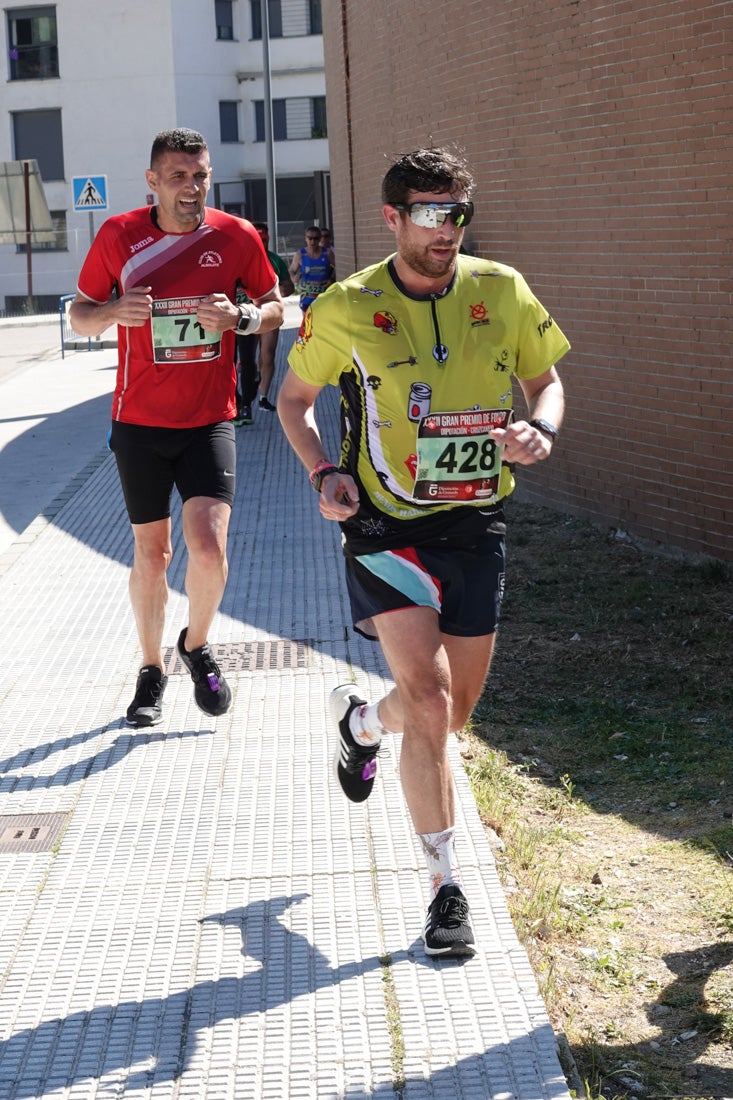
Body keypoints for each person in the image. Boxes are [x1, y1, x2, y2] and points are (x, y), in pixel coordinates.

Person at [277, 147, 569, 957]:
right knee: (432, 701)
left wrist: (537, 427)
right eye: (433, 215)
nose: (448, 231)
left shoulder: (499, 289)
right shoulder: (345, 304)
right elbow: (293, 401)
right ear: (394, 218)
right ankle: (445, 889)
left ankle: (363, 722)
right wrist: (322, 471)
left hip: (475, 524)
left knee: (450, 713)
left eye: (459, 214)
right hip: (383, 525)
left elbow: (544, 380)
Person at [69, 127, 284, 726]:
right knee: (152, 556)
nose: (192, 187)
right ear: (153, 181)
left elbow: (276, 305)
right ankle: (150, 669)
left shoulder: (235, 236)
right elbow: (80, 316)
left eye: (200, 175)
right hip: (137, 423)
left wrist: (240, 316)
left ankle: (195, 644)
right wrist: (113, 310)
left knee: (210, 549)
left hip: (207, 421)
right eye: (179, 176)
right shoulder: (119, 236)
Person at [288, 225, 333, 312]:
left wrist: (331, 279)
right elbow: (291, 270)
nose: (312, 242)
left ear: (320, 239)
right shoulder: (300, 254)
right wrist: (294, 278)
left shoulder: (327, 253)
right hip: (307, 297)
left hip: (323, 296)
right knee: (307, 323)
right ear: (305, 239)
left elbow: (337, 267)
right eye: (310, 238)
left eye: (316, 238)